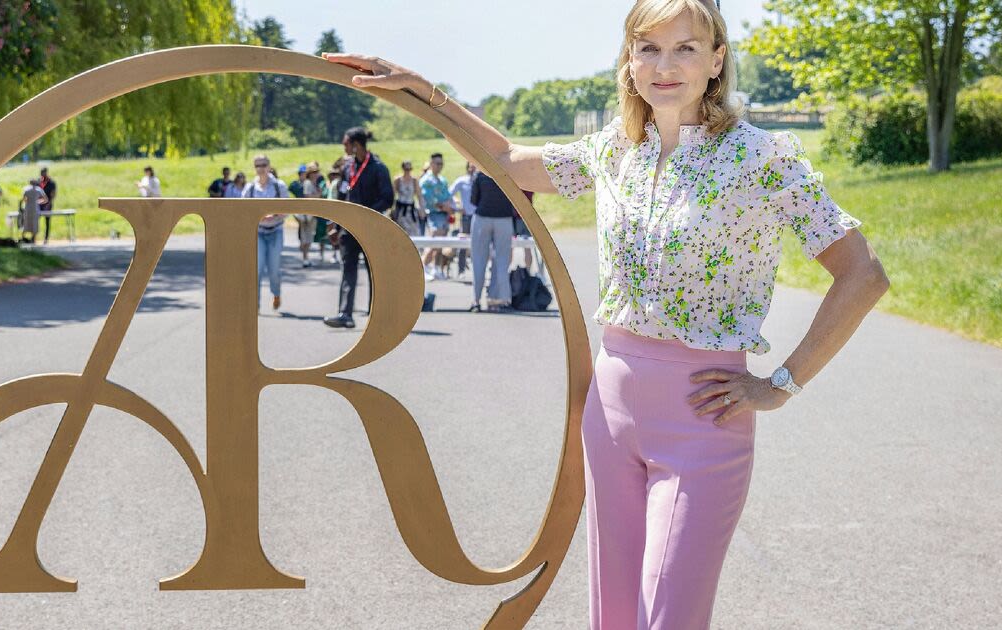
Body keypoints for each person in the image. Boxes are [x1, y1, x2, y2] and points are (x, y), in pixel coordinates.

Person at [325, 0, 890, 625]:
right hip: (611, 409)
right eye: (649, 48)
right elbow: (512, 162)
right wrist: (421, 91)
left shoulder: (762, 158)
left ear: (717, 59)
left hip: (704, 416)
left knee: (667, 615)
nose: (665, 65)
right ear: (629, 60)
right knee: (614, 614)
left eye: (685, 48)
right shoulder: (617, 149)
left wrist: (781, 383)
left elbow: (862, 274)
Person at [323, 127, 393, 329]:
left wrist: (367, 215)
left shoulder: (379, 168)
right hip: (349, 229)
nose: (344, 147)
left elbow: (387, 199)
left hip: (371, 228)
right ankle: (345, 314)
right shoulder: (347, 168)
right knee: (348, 270)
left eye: (346, 143)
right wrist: (335, 226)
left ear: (356, 145)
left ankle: (377, 315)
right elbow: (342, 197)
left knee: (374, 271)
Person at [241, 154, 290, 312]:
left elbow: (287, 209)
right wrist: (258, 217)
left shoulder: (279, 186)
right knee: (257, 268)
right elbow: (243, 211)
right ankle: (255, 305)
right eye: (257, 165)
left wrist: (274, 215)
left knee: (274, 269)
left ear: (269, 166)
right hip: (258, 232)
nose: (260, 168)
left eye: (263, 165)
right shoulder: (250, 188)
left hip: (275, 230)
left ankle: (276, 294)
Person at [467, 170, 515, 313]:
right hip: (504, 217)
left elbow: (473, 200)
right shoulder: (509, 172)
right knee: (502, 260)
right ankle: (500, 298)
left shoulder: (480, 174)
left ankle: (476, 300)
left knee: (479, 260)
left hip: (482, 217)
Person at [419, 152, 454, 280]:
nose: (440, 166)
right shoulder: (426, 180)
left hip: (444, 215)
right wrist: (445, 207)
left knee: (440, 244)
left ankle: (437, 268)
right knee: (434, 241)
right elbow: (429, 199)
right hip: (434, 214)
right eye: (437, 163)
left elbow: (448, 196)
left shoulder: (442, 179)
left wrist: (450, 207)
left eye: (441, 164)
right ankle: (422, 266)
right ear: (431, 164)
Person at [290, 162, 321, 268]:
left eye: (317, 172)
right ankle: (305, 258)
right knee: (306, 237)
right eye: (314, 172)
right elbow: (307, 197)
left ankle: (306, 257)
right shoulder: (308, 183)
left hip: (311, 214)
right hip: (306, 215)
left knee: (309, 237)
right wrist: (318, 195)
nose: (316, 174)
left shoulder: (313, 183)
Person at [449, 161, 478, 276]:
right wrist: (456, 207)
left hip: (478, 216)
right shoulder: (462, 181)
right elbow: (449, 194)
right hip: (466, 216)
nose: (472, 169)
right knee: (463, 243)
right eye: (471, 167)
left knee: (477, 243)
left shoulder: (479, 181)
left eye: (474, 167)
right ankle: (461, 270)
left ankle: (477, 269)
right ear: (467, 168)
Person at [392, 160, 425, 235]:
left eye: (410, 169)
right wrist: (392, 209)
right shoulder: (398, 180)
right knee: (400, 232)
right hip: (400, 210)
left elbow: (419, 196)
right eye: (406, 169)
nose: (408, 171)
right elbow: (393, 195)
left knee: (414, 232)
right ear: (403, 169)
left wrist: (422, 209)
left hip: (411, 210)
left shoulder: (414, 180)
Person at [18, 178, 48, 243]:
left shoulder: (26, 189)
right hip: (35, 208)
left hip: (27, 208)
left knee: (26, 224)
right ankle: (33, 239)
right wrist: (38, 201)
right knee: (35, 224)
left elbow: (23, 199)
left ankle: (23, 238)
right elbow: (45, 199)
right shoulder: (39, 189)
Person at [39, 166, 57, 244]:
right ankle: (34, 237)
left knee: (47, 221)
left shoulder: (51, 182)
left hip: (48, 204)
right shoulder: (39, 181)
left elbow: (53, 194)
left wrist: (49, 203)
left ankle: (46, 238)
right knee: (36, 220)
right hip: (39, 204)